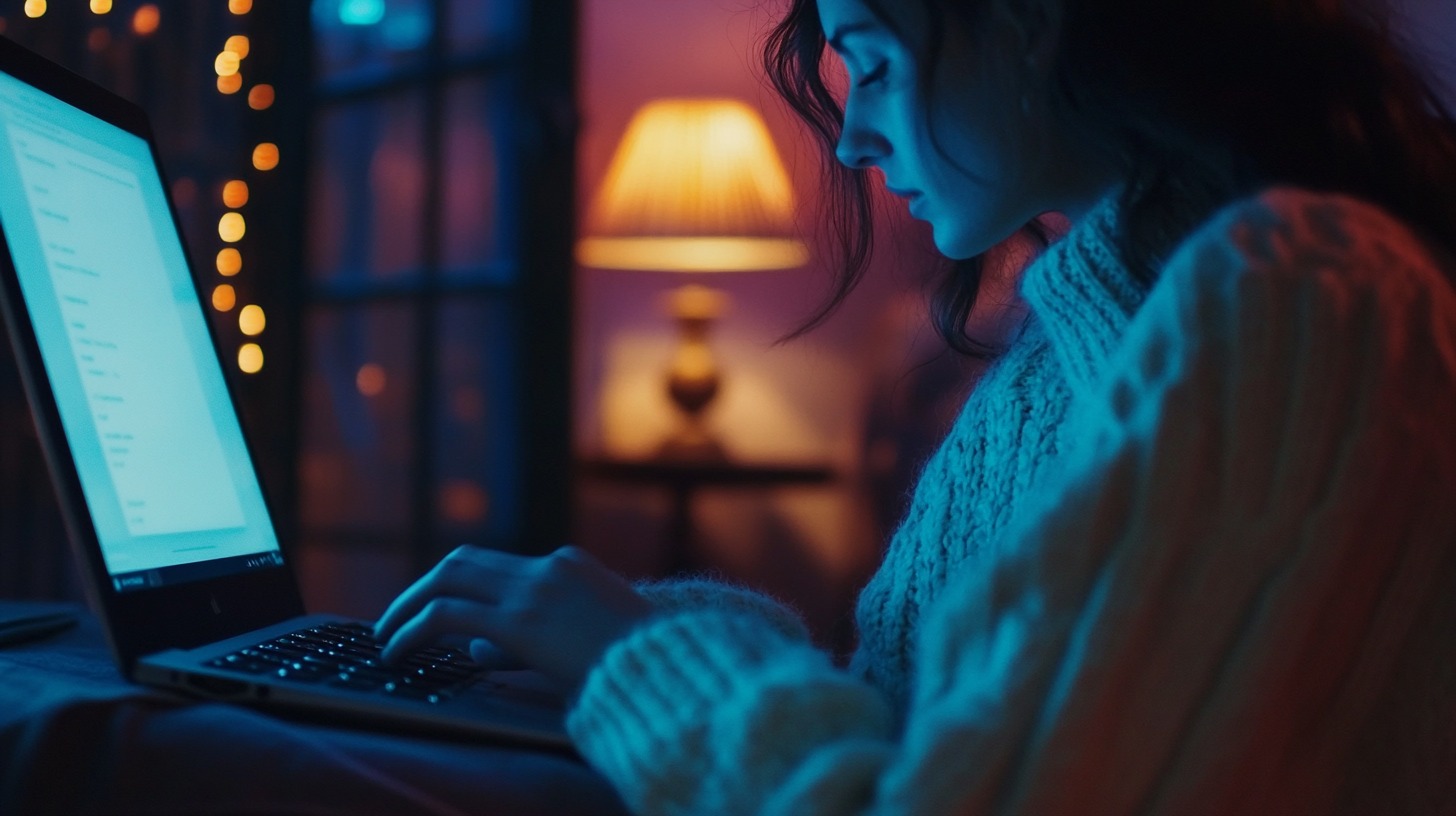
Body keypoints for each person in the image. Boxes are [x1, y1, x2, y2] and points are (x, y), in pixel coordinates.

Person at [374, 0, 1456, 812]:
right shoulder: (1050, 371)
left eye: (876, 64)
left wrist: (628, 659)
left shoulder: (1304, 291)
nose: (852, 138)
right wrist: (652, 629)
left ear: (1026, 24)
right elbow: (919, 720)